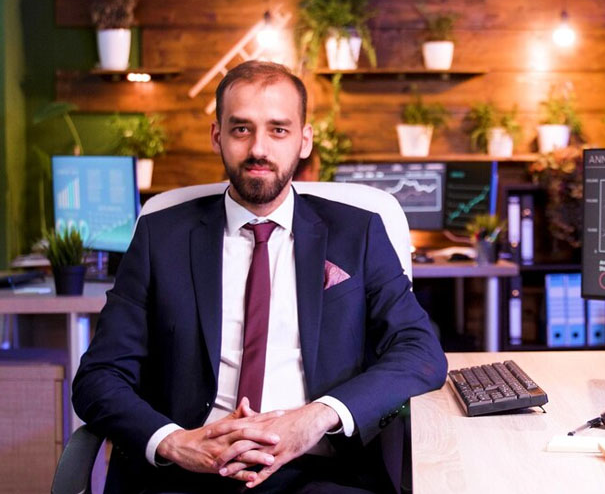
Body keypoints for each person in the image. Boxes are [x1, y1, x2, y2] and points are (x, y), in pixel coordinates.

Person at [72, 61, 448, 493]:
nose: (259, 149)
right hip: (184, 474)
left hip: (318, 472)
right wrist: (174, 442)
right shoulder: (161, 237)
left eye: (279, 130)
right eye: (241, 129)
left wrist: (317, 417)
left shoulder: (358, 233)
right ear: (217, 136)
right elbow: (98, 377)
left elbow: (420, 352)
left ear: (304, 140)